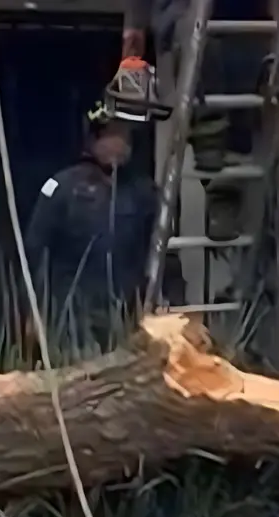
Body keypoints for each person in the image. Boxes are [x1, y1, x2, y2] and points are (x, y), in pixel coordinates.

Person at [24, 104, 180, 345]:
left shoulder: (145, 193)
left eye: (125, 136)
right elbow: (36, 250)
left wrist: (173, 303)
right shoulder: (61, 187)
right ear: (94, 138)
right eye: (112, 134)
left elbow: (165, 253)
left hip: (126, 313)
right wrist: (34, 311)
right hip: (71, 315)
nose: (119, 143)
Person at [121, 0, 269, 241]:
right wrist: (134, 26)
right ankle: (210, 150)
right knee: (197, 44)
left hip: (245, 19)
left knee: (245, 81)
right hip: (183, 16)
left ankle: (224, 201)